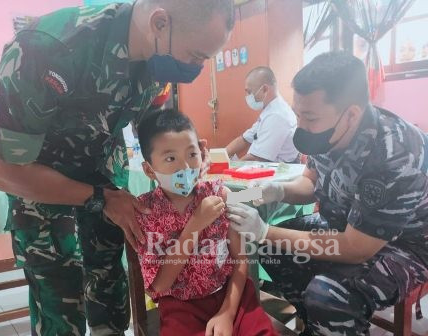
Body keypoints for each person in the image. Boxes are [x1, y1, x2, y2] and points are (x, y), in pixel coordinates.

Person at [0, 1, 235, 335]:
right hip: (43, 198)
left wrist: (187, 151)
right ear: (160, 23)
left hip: (109, 188)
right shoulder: (45, 49)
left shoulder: (157, 62)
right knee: (61, 312)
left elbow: (152, 126)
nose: (198, 67)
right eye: (198, 55)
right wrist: (98, 197)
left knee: (111, 302)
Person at [227, 51, 428, 336]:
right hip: (344, 225)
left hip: (406, 244)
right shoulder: (329, 132)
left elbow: (356, 248)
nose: (301, 126)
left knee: (328, 294)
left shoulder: (393, 152)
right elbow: (310, 184)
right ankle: (321, 324)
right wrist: (274, 192)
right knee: (272, 249)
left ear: (351, 115)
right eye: (298, 114)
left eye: (309, 117)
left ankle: (329, 317)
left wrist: (263, 231)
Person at [135, 110, 278, 336]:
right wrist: (194, 225)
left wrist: (228, 313)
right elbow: (160, 284)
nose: (185, 167)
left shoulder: (217, 194)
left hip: (231, 295)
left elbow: (241, 262)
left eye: (192, 154)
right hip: (181, 307)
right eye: (170, 158)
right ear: (149, 170)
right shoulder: (145, 211)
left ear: (202, 152)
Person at [226, 66, 298, 163]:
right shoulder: (269, 110)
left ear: (264, 89)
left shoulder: (277, 115)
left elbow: (257, 158)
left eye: (249, 92)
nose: (247, 97)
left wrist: (230, 168)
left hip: (275, 173)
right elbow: (244, 139)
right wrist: (220, 155)